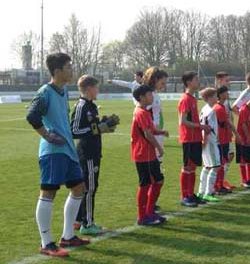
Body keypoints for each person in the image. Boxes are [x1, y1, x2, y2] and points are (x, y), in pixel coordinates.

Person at [26, 53, 90, 257]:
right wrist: (46, 135)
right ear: (57, 71)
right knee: (48, 192)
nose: (72, 70)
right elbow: (32, 115)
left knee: (79, 188)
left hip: (67, 150)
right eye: (68, 67)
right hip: (53, 152)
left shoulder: (63, 92)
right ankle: (46, 242)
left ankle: (68, 236)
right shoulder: (45, 91)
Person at [71, 75, 120, 235]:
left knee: (87, 187)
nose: (98, 90)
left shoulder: (92, 106)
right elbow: (74, 130)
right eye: (97, 87)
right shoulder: (81, 106)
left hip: (94, 151)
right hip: (88, 154)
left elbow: (93, 128)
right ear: (89, 88)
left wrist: (104, 125)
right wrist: (98, 128)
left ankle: (78, 220)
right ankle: (88, 224)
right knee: (90, 188)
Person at [131, 85, 167, 226]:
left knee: (158, 180)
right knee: (146, 183)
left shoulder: (145, 112)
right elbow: (147, 134)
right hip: (143, 154)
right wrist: (159, 147)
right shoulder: (140, 112)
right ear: (141, 97)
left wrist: (161, 132)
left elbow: (151, 130)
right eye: (149, 94)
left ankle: (149, 211)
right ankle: (142, 216)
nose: (152, 97)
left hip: (148, 154)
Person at [178, 71, 211, 207]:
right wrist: (201, 126)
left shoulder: (192, 99)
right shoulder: (185, 99)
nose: (198, 81)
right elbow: (183, 121)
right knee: (187, 167)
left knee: (192, 168)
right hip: (188, 138)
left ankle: (191, 194)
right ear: (189, 82)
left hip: (195, 138)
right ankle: (185, 196)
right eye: (196, 79)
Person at [213, 86, 240, 194]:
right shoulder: (219, 108)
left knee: (223, 162)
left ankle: (220, 185)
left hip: (224, 138)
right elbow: (228, 123)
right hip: (221, 139)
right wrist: (236, 134)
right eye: (225, 92)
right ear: (220, 94)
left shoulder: (221, 107)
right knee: (219, 163)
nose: (227, 94)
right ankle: (217, 186)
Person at [197, 88, 222, 203]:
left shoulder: (205, 109)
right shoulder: (210, 111)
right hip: (210, 142)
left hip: (207, 141)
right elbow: (207, 128)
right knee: (216, 166)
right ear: (209, 98)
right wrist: (205, 141)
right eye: (215, 96)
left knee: (207, 166)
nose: (217, 98)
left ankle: (201, 192)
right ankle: (208, 192)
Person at [215, 72, 236, 189]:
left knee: (229, 156)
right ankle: (219, 182)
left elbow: (229, 114)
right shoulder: (217, 96)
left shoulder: (225, 97)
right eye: (226, 80)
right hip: (221, 134)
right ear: (219, 81)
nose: (229, 82)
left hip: (227, 132)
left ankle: (222, 180)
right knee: (223, 158)